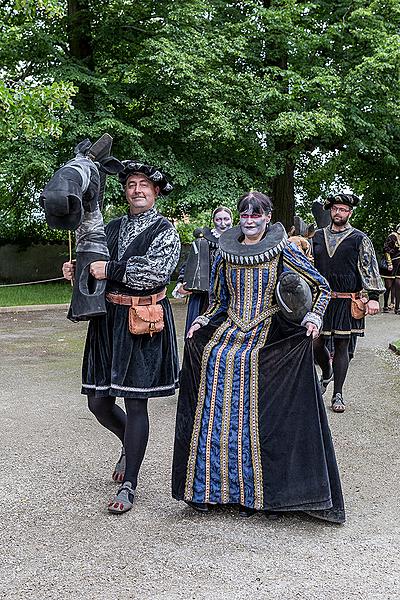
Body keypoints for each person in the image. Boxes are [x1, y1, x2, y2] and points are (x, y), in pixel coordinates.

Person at [172, 191, 345, 524]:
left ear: (268, 217)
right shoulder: (225, 253)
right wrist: (202, 319)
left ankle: (256, 493)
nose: (249, 220)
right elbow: (218, 300)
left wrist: (314, 316)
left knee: (257, 400)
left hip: (266, 330)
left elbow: (321, 286)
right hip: (230, 330)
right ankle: (208, 491)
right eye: (244, 214)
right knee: (211, 366)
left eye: (256, 214)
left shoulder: (284, 250)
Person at [62, 160, 181, 513]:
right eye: (131, 184)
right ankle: (129, 444)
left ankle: (130, 484)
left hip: (142, 323)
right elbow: (94, 267)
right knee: (97, 403)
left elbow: (153, 273)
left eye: (144, 184)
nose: (137, 189)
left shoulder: (166, 231)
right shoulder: (111, 228)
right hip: (108, 321)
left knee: (135, 402)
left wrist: (109, 269)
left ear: (156, 191)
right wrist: (78, 269)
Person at [312, 193, 384, 413]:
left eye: (343, 210)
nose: (338, 213)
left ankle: (338, 394)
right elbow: (307, 267)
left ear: (350, 212)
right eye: (335, 209)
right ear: (330, 211)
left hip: (346, 300)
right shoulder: (316, 236)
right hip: (321, 300)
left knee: (343, 345)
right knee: (315, 343)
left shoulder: (359, 238)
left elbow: (369, 268)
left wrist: (372, 297)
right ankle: (327, 373)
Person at [173, 206, 233, 335]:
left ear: (231, 220)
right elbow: (189, 264)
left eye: (226, 219)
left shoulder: (238, 240)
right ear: (213, 221)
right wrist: (183, 284)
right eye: (218, 219)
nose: (223, 223)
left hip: (231, 297)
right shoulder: (203, 241)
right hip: (203, 297)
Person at [380, 224, 400, 314]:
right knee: (388, 286)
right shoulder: (392, 236)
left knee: (398, 286)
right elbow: (386, 250)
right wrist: (389, 263)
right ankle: (385, 305)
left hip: (399, 265)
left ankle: (396, 306)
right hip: (391, 264)